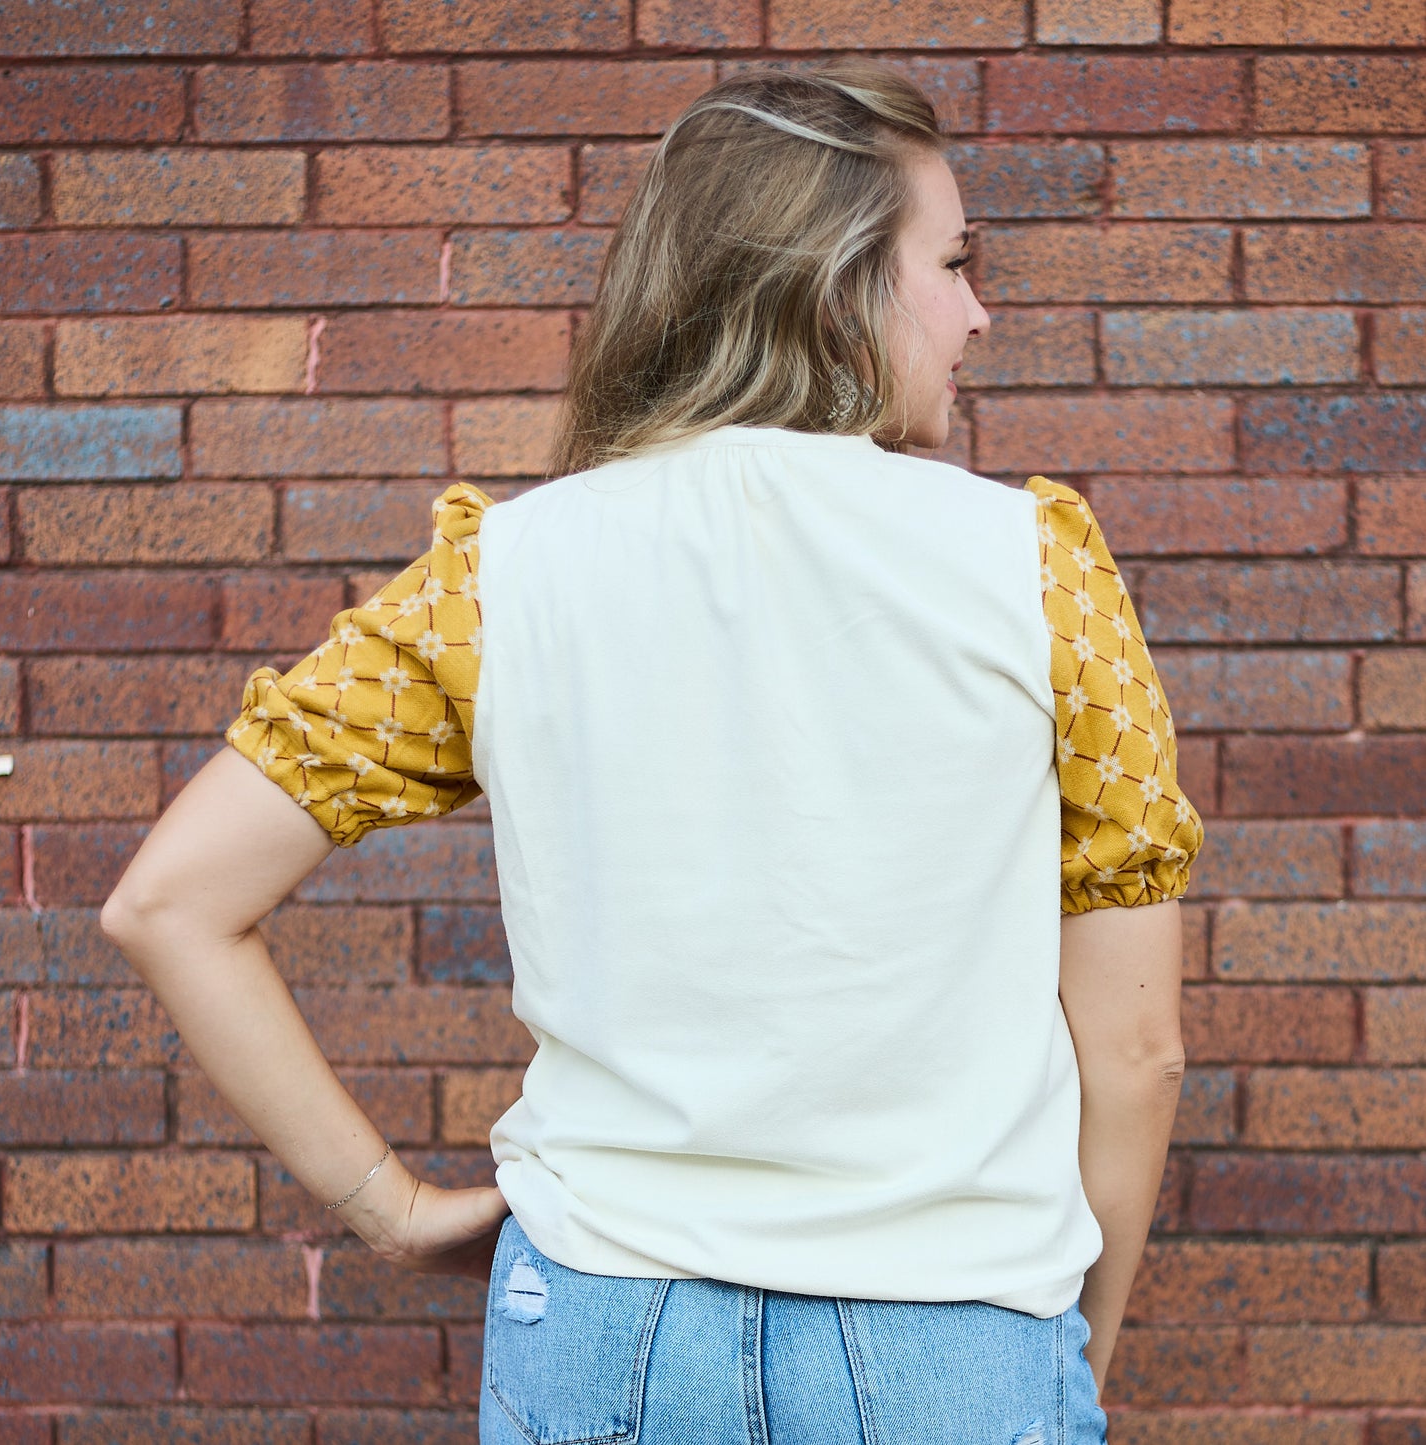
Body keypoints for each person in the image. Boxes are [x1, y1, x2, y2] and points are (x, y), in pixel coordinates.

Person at [102, 59, 1202, 1444]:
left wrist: (389, 1208)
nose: (974, 313)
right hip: (950, 1324)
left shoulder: (501, 577)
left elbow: (169, 900)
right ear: (838, 284)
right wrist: (1059, 1351)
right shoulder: (1034, 571)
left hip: (608, 1321)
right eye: (953, 263)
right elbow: (1136, 1044)